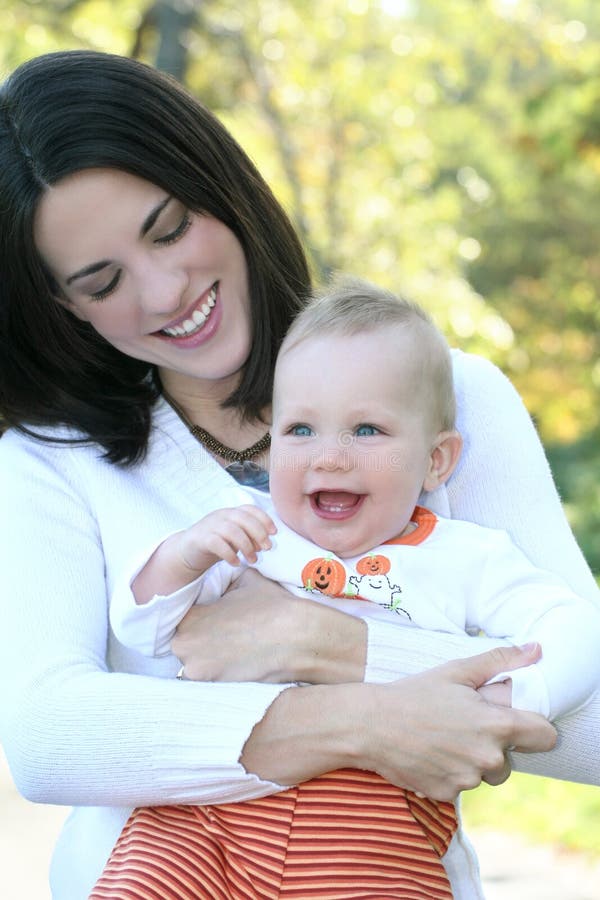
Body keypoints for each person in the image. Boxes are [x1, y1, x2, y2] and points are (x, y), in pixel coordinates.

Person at [0, 49, 596, 900]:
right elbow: (48, 734)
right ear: (65, 305)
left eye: (169, 229)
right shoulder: (49, 459)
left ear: (219, 184)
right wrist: (362, 718)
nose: (166, 291)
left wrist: (334, 647)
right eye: (103, 281)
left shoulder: (448, 397)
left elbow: (593, 723)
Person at [94, 279, 600, 898]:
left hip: (374, 824)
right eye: (301, 430)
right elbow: (144, 631)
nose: (329, 457)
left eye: (366, 430)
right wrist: (180, 556)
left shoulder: (463, 557)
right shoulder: (249, 531)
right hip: (205, 814)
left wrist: (508, 699)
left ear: (437, 461)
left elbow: (575, 624)